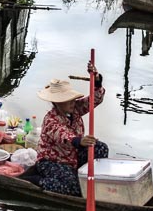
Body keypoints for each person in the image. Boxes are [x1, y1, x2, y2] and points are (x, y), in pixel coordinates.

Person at [34, 68, 109, 196]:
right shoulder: (50, 119)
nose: (72, 102)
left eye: (72, 99)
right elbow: (63, 135)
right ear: (57, 103)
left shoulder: (75, 109)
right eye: (67, 100)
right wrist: (79, 141)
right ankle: (38, 181)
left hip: (72, 157)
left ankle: (88, 177)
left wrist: (97, 82)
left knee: (100, 148)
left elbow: (94, 100)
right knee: (74, 187)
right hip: (52, 162)